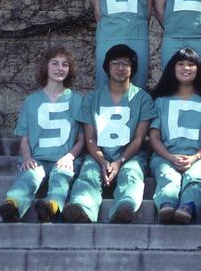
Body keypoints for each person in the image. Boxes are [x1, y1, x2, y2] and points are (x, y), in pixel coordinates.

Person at [62, 44, 156, 223]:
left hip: (130, 155)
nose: (120, 68)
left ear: (132, 68)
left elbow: (139, 138)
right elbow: (90, 137)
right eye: (115, 63)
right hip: (99, 154)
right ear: (107, 66)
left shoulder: (143, 99)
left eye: (126, 64)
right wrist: (103, 161)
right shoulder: (92, 98)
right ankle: (81, 208)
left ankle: (125, 208)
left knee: (132, 174)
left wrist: (120, 162)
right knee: (88, 173)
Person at [0, 47, 84, 223]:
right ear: (46, 66)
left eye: (65, 64)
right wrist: (27, 157)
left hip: (63, 159)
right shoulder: (31, 101)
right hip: (37, 158)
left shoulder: (77, 100)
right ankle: (13, 206)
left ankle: (51, 207)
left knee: (60, 178)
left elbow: (82, 139)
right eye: (55, 63)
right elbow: (24, 137)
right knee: (29, 176)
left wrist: (69, 157)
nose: (60, 68)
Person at [148, 48, 201, 224]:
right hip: (165, 156)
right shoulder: (161, 102)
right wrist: (170, 157)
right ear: (173, 68)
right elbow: (154, 137)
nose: (186, 68)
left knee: (196, 177)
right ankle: (166, 204)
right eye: (181, 64)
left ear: (198, 69)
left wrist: (194, 158)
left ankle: (188, 207)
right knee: (168, 175)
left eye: (191, 64)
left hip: (200, 157)